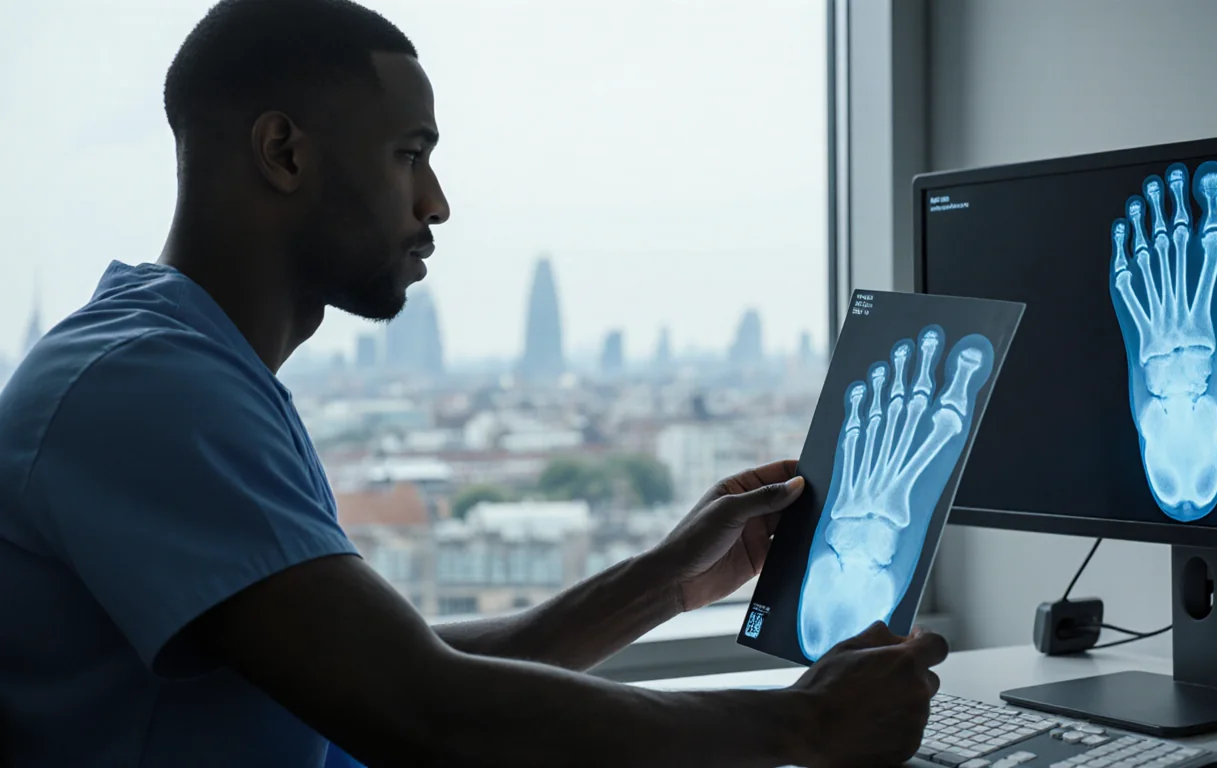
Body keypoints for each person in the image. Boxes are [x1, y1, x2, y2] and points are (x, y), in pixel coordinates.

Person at [0, 0, 948, 765]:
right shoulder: (144, 389)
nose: (437, 202)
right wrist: (800, 728)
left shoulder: (192, 371)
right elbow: (422, 713)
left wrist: (665, 582)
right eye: (409, 154)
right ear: (284, 153)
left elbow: (393, 671)